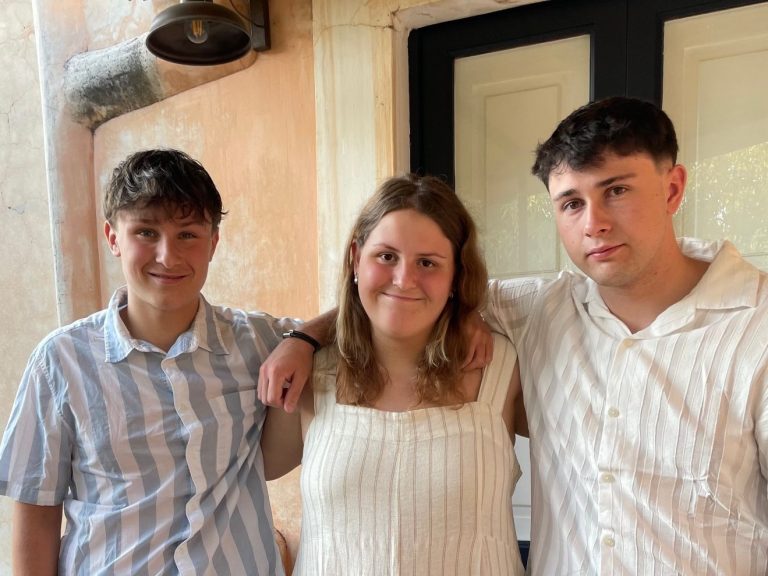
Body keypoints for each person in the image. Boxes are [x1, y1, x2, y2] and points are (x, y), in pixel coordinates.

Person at [260, 97, 768, 574]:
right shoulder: (541, 309)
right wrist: (304, 338)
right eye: (571, 203)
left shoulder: (756, 327)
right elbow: (398, 298)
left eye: (617, 190)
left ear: (672, 189)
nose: (594, 223)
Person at [0, 149, 302, 575]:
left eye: (188, 235)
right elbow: (36, 513)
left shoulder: (257, 342)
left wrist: (303, 341)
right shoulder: (60, 363)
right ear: (113, 238)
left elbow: (355, 320)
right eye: (146, 232)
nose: (167, 256)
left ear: (213, 243)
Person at [261, 174, 527, 575]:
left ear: (456, 276)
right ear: (356, 259)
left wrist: (473, 310)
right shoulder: (309, 373)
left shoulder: (501, 367)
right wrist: (303, 338)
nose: (403, 280)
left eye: (427, 263)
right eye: (386, 257)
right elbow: (249, 473)